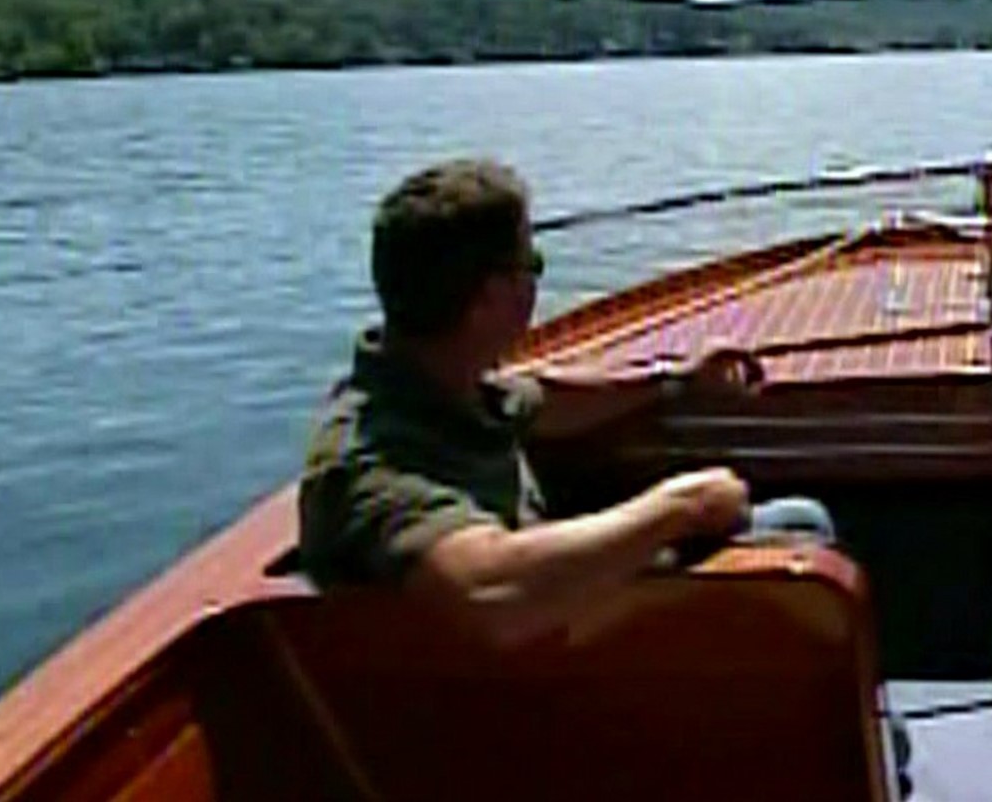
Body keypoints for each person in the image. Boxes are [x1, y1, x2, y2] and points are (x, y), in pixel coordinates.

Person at [298, 158, 835, 650]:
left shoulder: (439, 386)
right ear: (489, 296)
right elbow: (490, 593)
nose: (536, 279)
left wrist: (676, 382)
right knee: (803, 528)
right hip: (541, 684)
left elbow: (541, 402)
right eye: (531, 262)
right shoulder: (370, 467)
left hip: (549, 647)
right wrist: (682, 507)